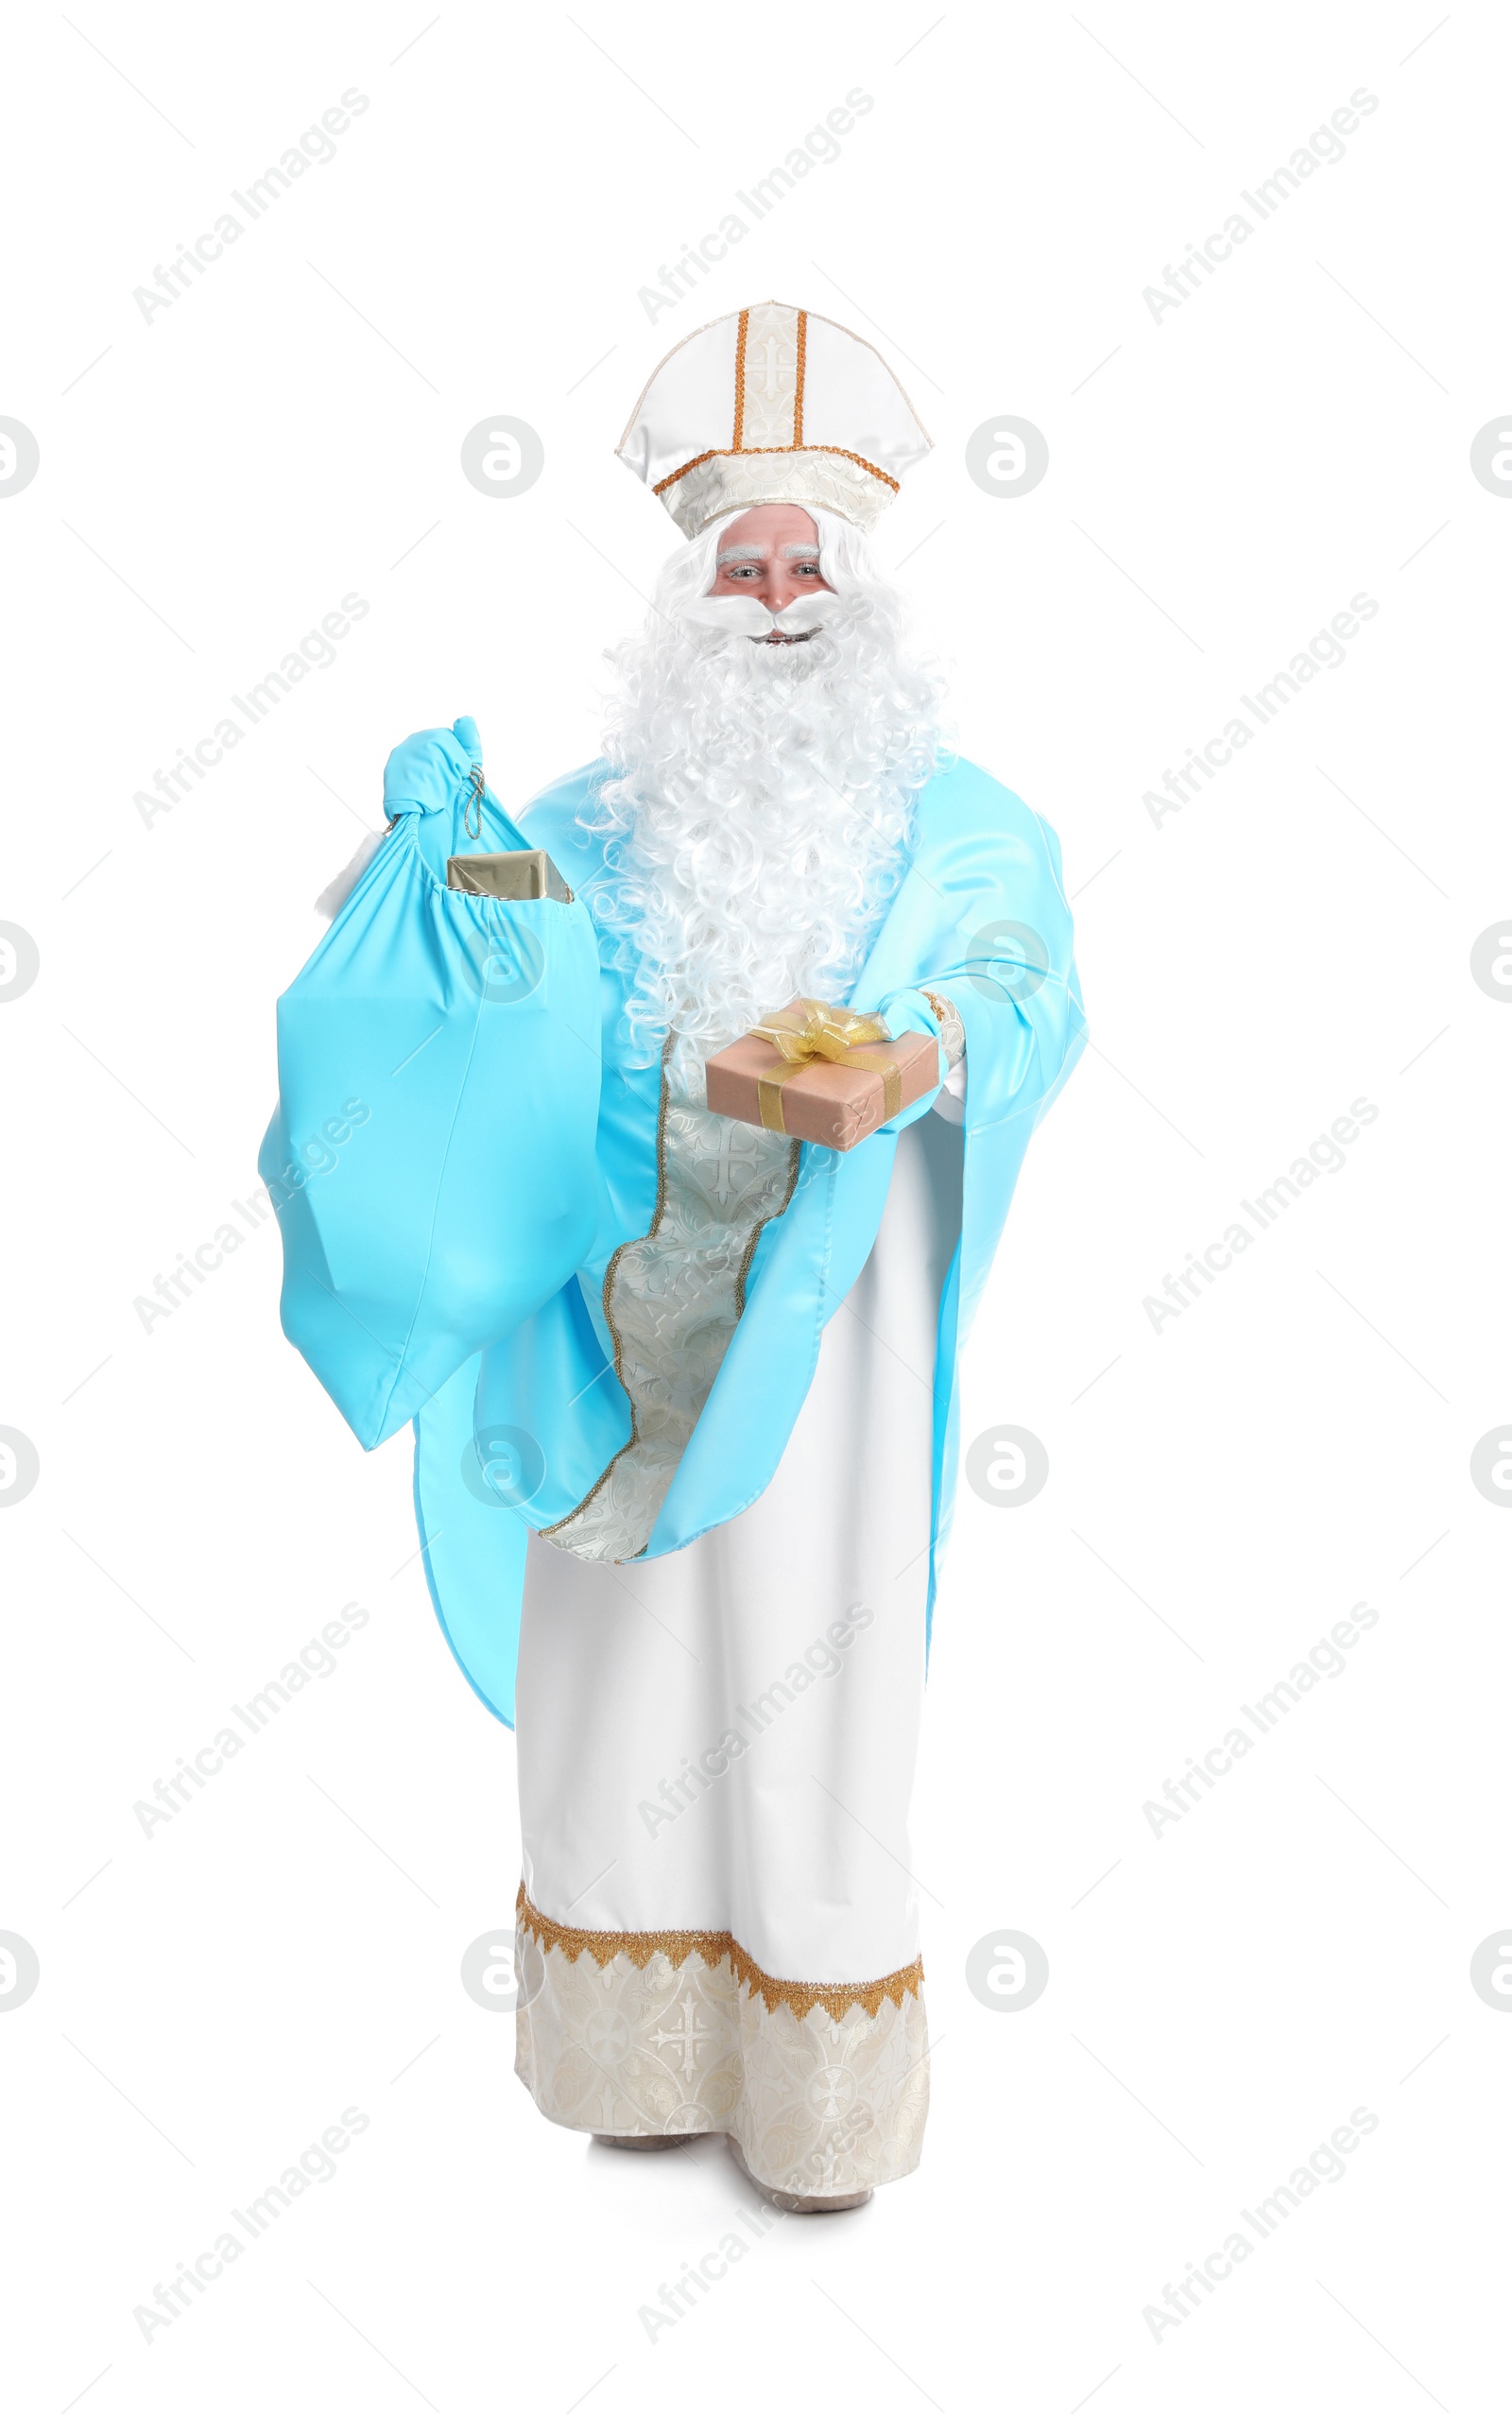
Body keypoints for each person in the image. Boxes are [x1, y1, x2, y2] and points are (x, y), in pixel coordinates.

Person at [333, 302, 1085, 2209]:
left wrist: (920, 1048)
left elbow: (1023, 989)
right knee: (634, 1667)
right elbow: (489, 955)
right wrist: (421, 856)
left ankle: (813, 2088)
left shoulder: (962, 825)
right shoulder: (593, 820)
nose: (769, 598)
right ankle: (641, 2050)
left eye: (798, 564)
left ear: (856, 589)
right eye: (734, 567)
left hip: (831, 1324)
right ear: (683, 603)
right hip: (611, 1340)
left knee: (814, 1657)